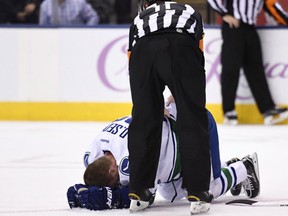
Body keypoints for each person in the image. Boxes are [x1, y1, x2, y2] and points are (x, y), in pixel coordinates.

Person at [66, 100, 260, 211]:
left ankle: (244, 167)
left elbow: (142, 198)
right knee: (170, 194)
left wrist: (110, 198)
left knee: (207, 188)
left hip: (196, 128)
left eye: (115, 182)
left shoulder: (127, 160)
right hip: (177, 142)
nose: (119, 184)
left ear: (112, 168)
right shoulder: (94, 153)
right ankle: (226, 167)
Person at [127, 1, 212, 214]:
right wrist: (184, 92)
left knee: (143, 121)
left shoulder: (139, 19)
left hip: (142, 53)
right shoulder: (189, 10)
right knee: (192, 117)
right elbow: (198, 53)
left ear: (146, 4)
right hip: (181, 45)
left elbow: (132, 61)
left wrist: (148, 104)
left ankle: (138, 191)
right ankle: (197, 192)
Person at [207, 0, 288, 125]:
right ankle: (229, 110)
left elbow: (273, 6)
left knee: (256, 71)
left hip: (250, 29)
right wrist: (224, 14)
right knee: (231, 69)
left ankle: (267, 109)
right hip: (233, 28)